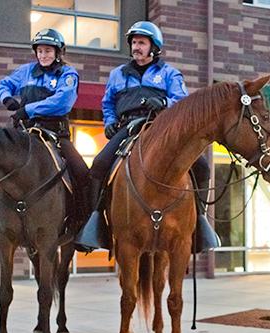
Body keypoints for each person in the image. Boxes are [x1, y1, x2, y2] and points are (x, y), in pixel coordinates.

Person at [75, 20, 219, 252]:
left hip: (160, 129)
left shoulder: (170, 73)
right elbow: (108, 102)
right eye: (133, 42)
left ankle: (200, 223)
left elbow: (182, 103)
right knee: (100, 164)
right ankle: (94, 222)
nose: (136, 47)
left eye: (141, 42)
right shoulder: (117, 74)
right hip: (129, 127)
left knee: (202, 167)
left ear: (154, 47)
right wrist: (110, 122)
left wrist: (164, 103)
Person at [0, 28, 91, 250]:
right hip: (23, 135)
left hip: (55, 135)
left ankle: (81, 227)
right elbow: (4, 85)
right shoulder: (25, 72)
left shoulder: (68, 74)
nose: (43, 55)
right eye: (40, 50)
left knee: (81, 173)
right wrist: (7, 100)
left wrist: (28, 109)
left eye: (48, 50)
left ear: (58, 52)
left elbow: (63, 102)